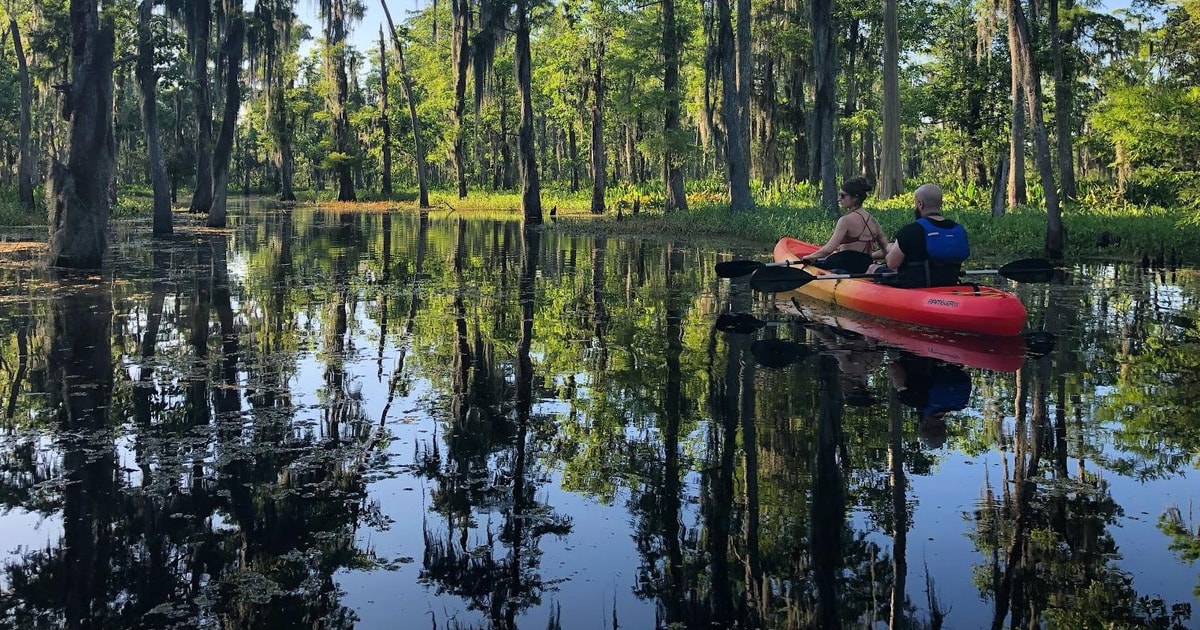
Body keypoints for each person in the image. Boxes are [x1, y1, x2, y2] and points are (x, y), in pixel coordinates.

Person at [873, 183, 970, 288]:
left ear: (920, 204)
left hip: (916, 287)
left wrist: (889, 252)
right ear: (941, 203)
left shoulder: (910, 231)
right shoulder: (958, 229)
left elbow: (892, 264)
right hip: (949, 285)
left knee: (872, 268)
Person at [800, 177, 889, 271]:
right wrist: (871, 256)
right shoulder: (873, 221)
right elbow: (886, 250)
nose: (839, 199)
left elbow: (828, 249)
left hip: (844, 263)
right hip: (866, 264)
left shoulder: (845, 220)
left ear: (855, 198)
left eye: (842, 196)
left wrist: (810, 257)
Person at [888, 353, 972, 450]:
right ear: (925, 425)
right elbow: (894, 368)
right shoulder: (913, 400)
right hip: (918, 353)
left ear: (943, 426)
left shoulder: (962, 402)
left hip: (952, 354)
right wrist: (899, 387)